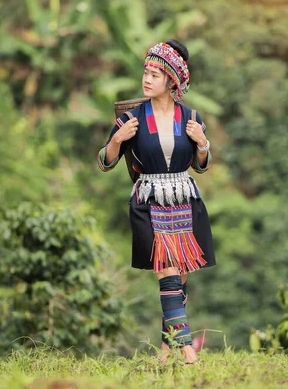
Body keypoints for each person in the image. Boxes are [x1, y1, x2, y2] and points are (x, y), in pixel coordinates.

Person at [97, 39, 215, 364]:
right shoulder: (131, 119)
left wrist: (202, 144)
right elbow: (105, 162)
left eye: (154, 74)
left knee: (180, 279)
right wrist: (117, 141)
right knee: (167, 270)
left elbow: (201, 165)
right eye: (145, 72)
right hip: (148, 205)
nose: (146, 79)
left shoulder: (191, 118)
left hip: (184, 201)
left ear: (171, 81)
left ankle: (165, 352)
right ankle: (188, 350)